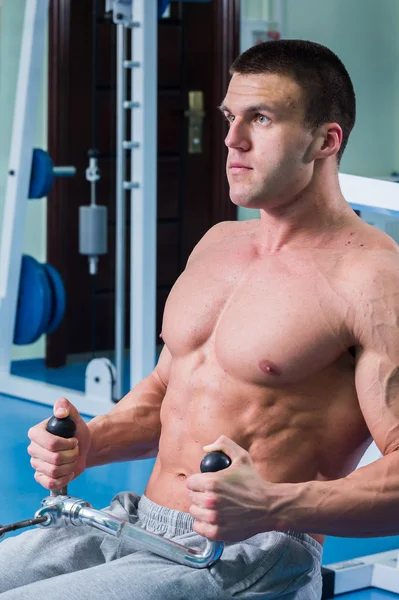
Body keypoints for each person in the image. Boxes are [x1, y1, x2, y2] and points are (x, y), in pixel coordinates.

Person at [1, 38, 398, 600]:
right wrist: (92, 442)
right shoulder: (218, 244)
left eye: (260, 118)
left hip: (246, 556)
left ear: (325, 140)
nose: (232, 140)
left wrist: (272, 503)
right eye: (230, 117)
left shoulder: (372, 279)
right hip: (134, 521)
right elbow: (167, 393)